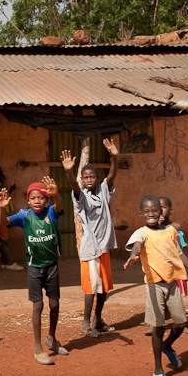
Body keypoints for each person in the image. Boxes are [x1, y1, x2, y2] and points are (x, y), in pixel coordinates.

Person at [125, 194, 188, 376]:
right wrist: (134, 256)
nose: (151, 214)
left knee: (180, 322)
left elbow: (180, 253)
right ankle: (158, 370)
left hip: (172, 283)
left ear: (161, 211)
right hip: (154, 284)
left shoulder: (170, 231)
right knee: (158, 326)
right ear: (141, 213)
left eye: (155, 210)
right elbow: (137, 246)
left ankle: (167, 346)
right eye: (147, 212)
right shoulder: (141, 232)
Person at [0, 178, 68, 366]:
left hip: (52, 266)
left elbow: (60, 206)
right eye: (33, 198)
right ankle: (38, 349)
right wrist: (2, 208)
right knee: (38, 306)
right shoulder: (24, 216)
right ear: (28, 201)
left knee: (54, 304)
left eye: (41, 198)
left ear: (47, 200)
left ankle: (51, 338)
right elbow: (3, 223)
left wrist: (57, 195)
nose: (37, 201)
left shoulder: (52, 213)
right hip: (34, 267)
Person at [61, 138, 119, 338]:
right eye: (85, 177)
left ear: (96, 177)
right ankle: (85, 323)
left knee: (104, 287)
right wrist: (69, 171)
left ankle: (98, 319)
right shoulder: (81, 196)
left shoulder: (103, 191)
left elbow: (111, 176)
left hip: (104, 248)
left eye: (92, 176)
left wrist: (115, 158)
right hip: (90, 249)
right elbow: (75, 188)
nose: (89, 180)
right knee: (91, 288)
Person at [0, 164, 23, 271]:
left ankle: (5, 261)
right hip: (0, 214)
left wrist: (10, 189)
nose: (0, 173)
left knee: (4, 236)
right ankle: (8, 261)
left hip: (5, 213)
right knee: (3, 238)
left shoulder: (0, 184)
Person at [160, 196, 188, 297]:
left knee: (177, 293)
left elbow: (182, 247)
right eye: (156, 208)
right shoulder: (151, 227)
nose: (160, 211)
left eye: (163, 207)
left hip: (175, 265)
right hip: (160, 266)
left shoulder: (176, 227)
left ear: (170, 210)